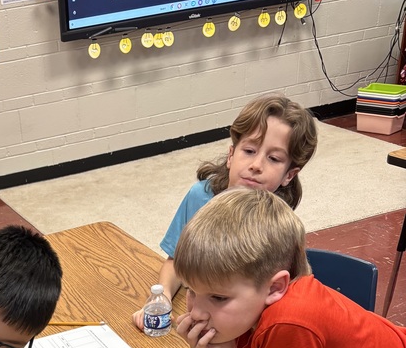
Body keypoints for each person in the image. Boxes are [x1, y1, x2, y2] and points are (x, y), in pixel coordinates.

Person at [173, 188, 406, 348]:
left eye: (218, 298)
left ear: (275, 288)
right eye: (191, 290)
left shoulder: (288, 321)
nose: (196, 312)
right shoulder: (243, 307)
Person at [131, 93, 318, 329]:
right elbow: (175, 262)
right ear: (231, 155)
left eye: (273, 158)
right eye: (249, 151)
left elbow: (282, 295)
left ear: (289, 175)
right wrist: (164, 296)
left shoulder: (279, 222)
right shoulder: (200, 196)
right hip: (202, 311)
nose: (256, 165)